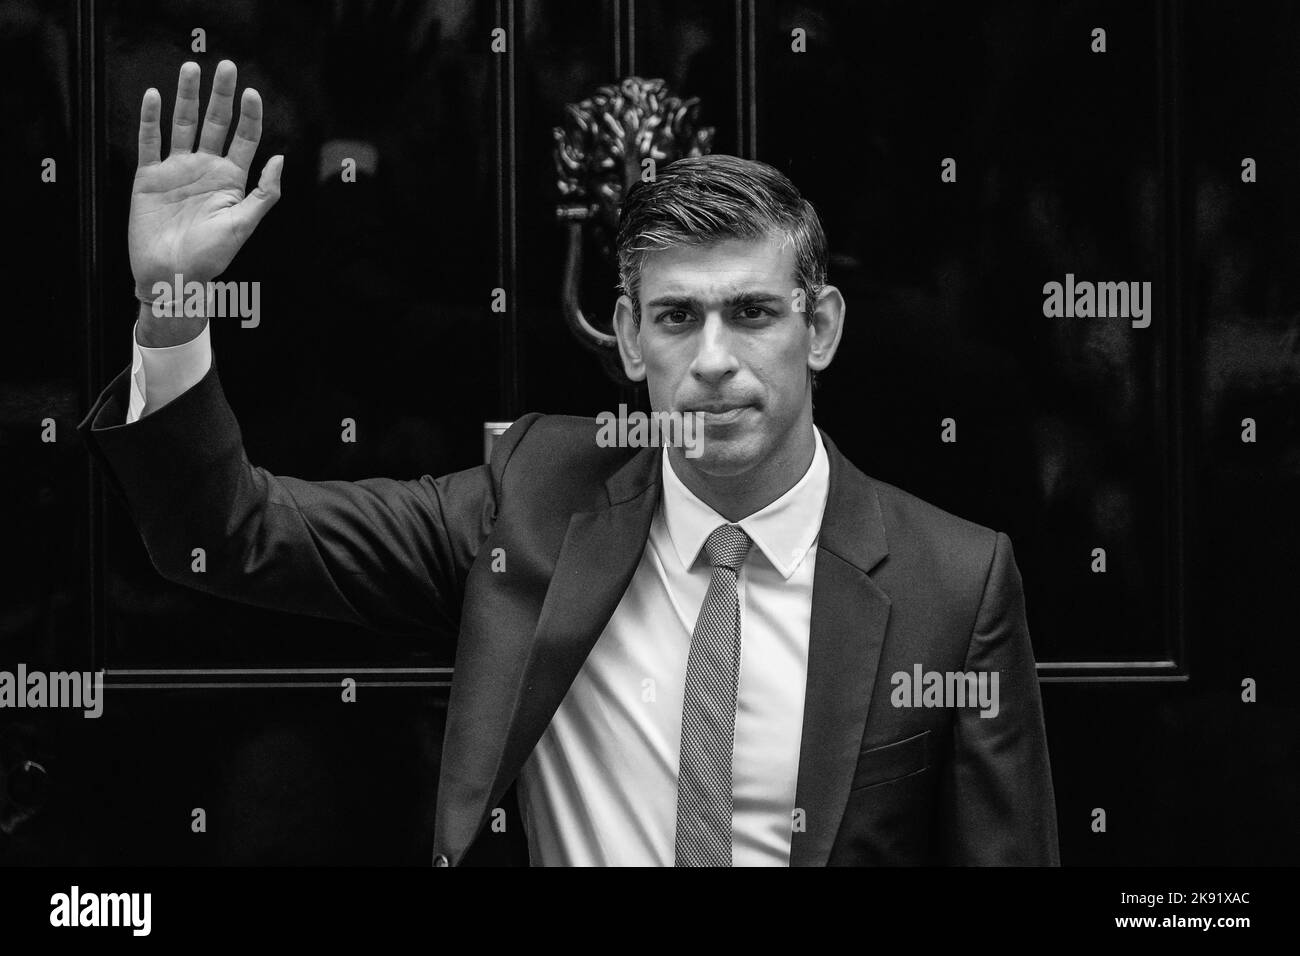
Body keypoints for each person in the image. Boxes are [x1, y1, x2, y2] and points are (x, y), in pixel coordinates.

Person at [80, 59, 1060, 866]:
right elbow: (229, 534)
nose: (713, 357)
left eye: (752, 312)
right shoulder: (534, 500)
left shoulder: (954, 581)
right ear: (628, 339)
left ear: (821, 327)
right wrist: (170, 303)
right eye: (678, 316)